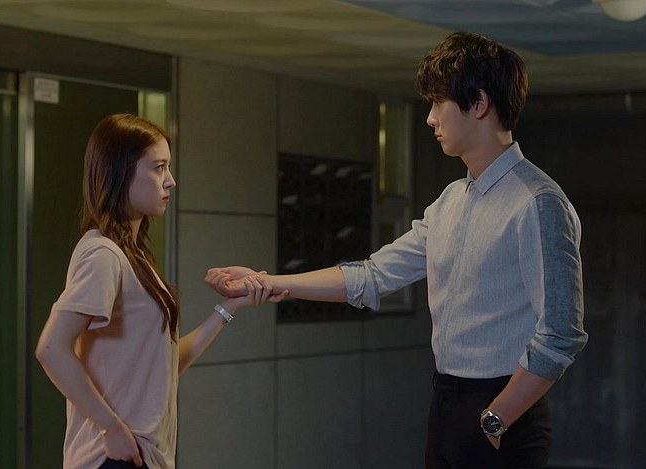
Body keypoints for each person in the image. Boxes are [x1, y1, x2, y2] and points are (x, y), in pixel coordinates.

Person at [206, 32, 587, 468]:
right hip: (447, 400)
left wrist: (496, 418)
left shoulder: (537, 202)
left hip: (502, 410)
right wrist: (267, 281)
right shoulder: (451, 200)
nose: (430, 118)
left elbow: (561, 332)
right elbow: (374, 275)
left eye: (438, 102)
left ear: (479, 103)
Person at [35, 113, 284, 469]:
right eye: (158, 168)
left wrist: (228, 308)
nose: (171, 180)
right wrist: (110, 428)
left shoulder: (131, 257)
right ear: (120, 173)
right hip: (112, 458)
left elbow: (163, 367)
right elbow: (51, 348)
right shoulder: (103, 254)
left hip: (140, 457)